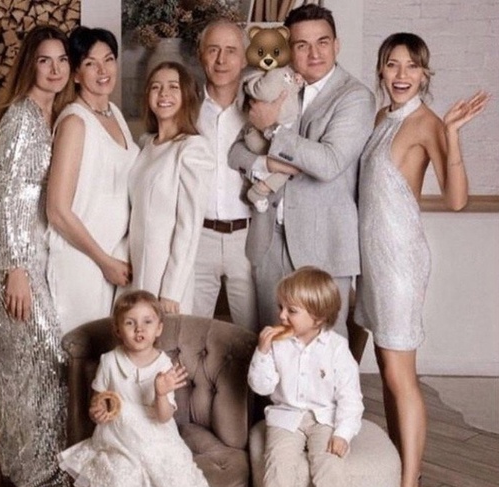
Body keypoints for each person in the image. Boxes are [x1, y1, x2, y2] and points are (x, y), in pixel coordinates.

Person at [354, 32, 490, 487]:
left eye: (411, 66)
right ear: (381, 71)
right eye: (392, 64)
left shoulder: (428, 122)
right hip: (370, 261)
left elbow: (456, 201)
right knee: (388, 376)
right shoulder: (379, 118)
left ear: (425, 74)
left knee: (399, 376)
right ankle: (397, 481)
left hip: (399, 262)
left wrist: (451, 135)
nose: (401, 74)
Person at [59, 290, 214, 487]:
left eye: (147, 322)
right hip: (119, 436)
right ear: (118, 329)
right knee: (120, 481)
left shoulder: (164, 364)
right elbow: (99, 404)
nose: (139, 329)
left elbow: (163, 416)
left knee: (183, 483)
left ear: (159, 328)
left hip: (157, 436)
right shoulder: (109, 361)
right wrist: (98, 411)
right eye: (130, 323)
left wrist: (161, 392)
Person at [229, 4, 375, 335]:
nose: (314, 54)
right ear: (289, 49)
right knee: (271, 345)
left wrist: (272, 129)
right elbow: (236, 151)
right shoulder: (277, 84)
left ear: (337, 45)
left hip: (323, 246)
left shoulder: (355, 97)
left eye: (322, 42)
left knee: (324, 351)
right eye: (302, 45)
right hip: (269, 243)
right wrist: (264, 164)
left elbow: (329, 163)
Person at [0, 25, 75, 487]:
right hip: (13, 254)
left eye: (62, 59)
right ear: (29, 65)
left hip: (38, 250)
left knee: (21, 363)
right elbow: (6, 198)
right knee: (41, 355)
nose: (55, 69)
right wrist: (15, 268)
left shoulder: (56, 115)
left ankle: (11, 459)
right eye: (44, 60)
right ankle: (35, 482)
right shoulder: (21, 116)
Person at [248, 266, 363, 487]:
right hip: (286, 417)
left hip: (324, 419)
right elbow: (262, 387)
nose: (282, 316)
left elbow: (351, 399)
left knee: (328, 466)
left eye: (292, 310)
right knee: (278, 462)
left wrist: (343, 433)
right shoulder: (276, 344)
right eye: (281, 307)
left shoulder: (337, 349)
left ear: (318, 317)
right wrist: (262, 352)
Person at [46, 27, 139, 334]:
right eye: (90, 63)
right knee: (79, 349)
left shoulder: (114, 114)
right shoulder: (75, 121)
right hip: (82, 261)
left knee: (108, 351)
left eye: (108, 59)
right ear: (75, 74)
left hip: (113, 259)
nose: (103, 70)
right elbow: (57, 211)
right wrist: (103, 261)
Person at [128, 61, 214, 315]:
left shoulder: (192, 148)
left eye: (173, 87)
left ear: (186, 95)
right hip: (135, 268)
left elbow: (189, 225)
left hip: (165, 274)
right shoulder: (146, 145)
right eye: (156, 87)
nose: (163, 93)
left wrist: (172, 290)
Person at [193, 19, 259, 332]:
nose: (221, 59)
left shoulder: (259, 110)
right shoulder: (186, 108)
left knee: (252, 334)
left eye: (231, 50)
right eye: (213, 50)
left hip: (247, 238)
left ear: (245, 58)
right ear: (200, 55)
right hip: (197, 237)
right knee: (192, 332)